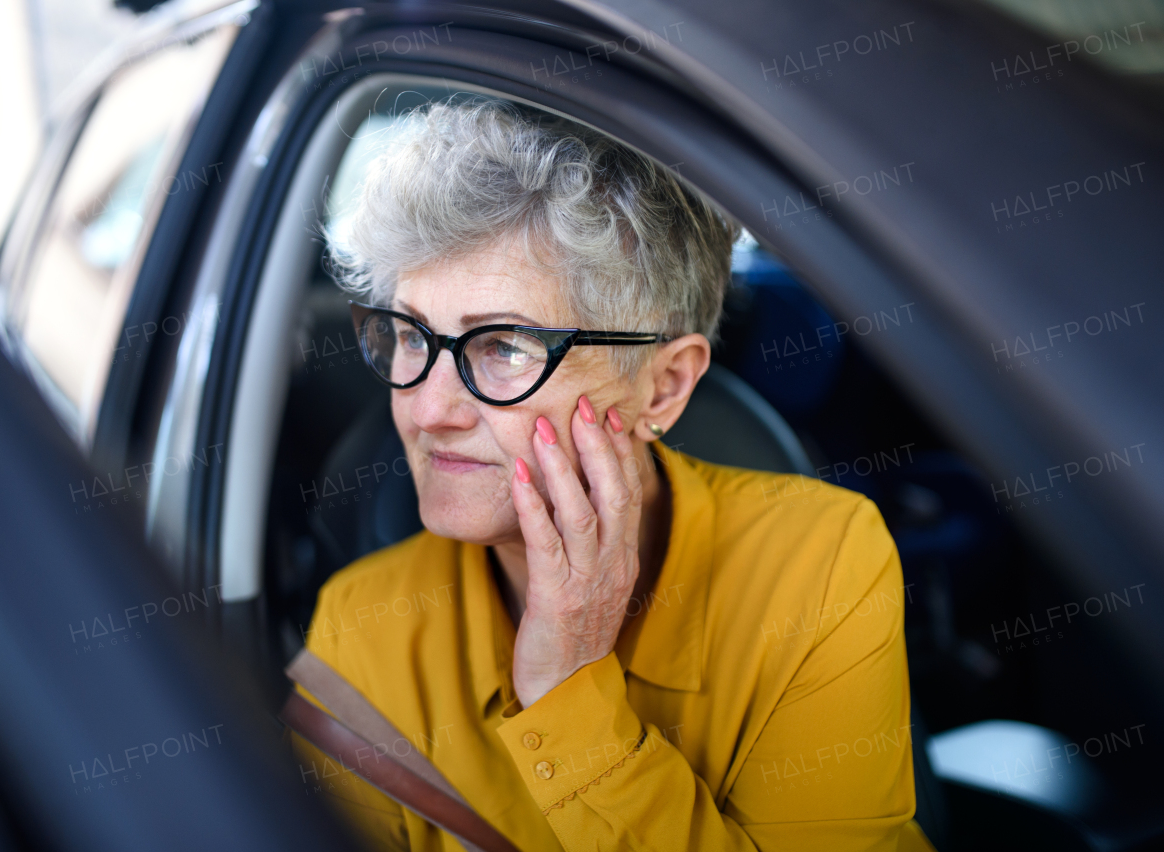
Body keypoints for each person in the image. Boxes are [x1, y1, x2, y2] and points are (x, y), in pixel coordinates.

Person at [292, 99, 936, 851]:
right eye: (409, 334)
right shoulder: (361, 624)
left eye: (502, 347)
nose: (427, 408)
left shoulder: (817, 561)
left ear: (662, 387)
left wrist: (569, 696)